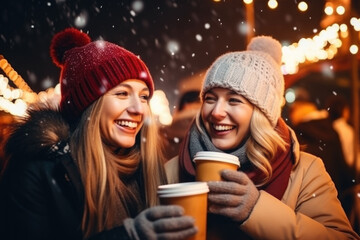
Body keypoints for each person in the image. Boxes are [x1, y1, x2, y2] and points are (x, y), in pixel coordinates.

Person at [0, 28, 197, 240]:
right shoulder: (38, 173)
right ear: (88, 107)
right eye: (122, 93)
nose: (138, 109)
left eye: (143, 96)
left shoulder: (148, 170)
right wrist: (129, 235)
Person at [165, 35, 359, 239]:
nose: (216, 112)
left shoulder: (305, 171)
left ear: (262, 113)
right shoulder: (172, 171)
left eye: (234, 100)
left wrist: (256, 209)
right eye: (210, 99)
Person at [289, 97, 355, 203]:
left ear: (297, 113)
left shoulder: (298, 133)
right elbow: (342, 164)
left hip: (306, 195)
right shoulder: (333, 130)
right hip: (333, 192)